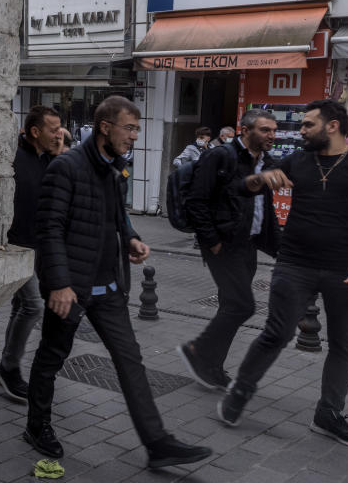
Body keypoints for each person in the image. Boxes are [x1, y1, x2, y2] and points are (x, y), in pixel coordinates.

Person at [24, 95, 212, 469]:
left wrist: (131, 238)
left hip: (108, 288)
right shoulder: (66, 167)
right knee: (51, 358)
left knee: (131, 361)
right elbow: (49, 229)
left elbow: (116, 217)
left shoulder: (114, 168)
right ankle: (37, 425)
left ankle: (157, 443)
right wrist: (60, 284)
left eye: (138, 129)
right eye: (129, 128)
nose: (135, 137)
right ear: (105, 127)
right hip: (71, 289)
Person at [218, 99, 348, 449]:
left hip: (347, 271)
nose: (300, 131)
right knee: (275, 333)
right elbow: (241, 187)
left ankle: (328, 414)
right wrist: (259, 178)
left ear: (332, 126)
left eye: (308, 124)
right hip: (294, 264)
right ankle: (239, 392)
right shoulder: (297, 160)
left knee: (344, 344)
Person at [177, 109, 281, 390]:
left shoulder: (266, 162)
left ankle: (211, 366)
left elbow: (263, 207)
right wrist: (213, 241)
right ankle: (198, 350)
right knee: (243, 305)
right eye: (265, 130)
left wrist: (275, 242)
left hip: (249, 244)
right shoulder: (221, 156)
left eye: (273, 130)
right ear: (245, 131)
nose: (272, 135)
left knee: (230, 306)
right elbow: (196, 201)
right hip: (223, 244)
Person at [0, 106, 64, 402]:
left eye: (61, 128)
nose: (59, 134)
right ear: (35, 132)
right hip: (15, 245)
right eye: (53, 129)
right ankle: (9, 367)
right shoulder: (13, 158)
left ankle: (8, 364)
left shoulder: (50, 159)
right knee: (33, 306)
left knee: (21, 306)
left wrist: (60, 154)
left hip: (39, 247)